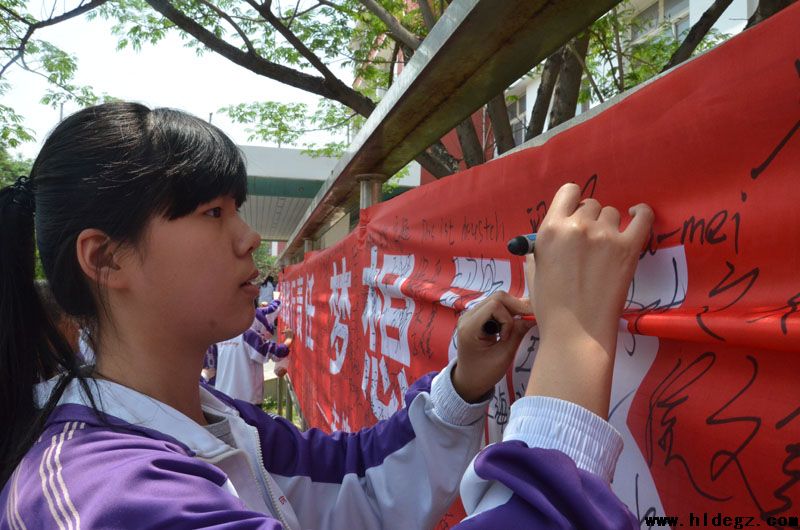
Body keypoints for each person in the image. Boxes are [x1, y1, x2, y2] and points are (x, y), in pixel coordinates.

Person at [0, 102, 652, 529]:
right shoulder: (93, 497)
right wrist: (573, 340)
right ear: (106, 259)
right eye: (212, 213)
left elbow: (355, 486)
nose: (249, 238)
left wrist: (462, 388)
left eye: (238, 208)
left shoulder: (208, 419)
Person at [203, 302, 293, 404]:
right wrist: (288, 340)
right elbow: (276, 353)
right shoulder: (248, 335)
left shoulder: (222, 334)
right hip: (247, 400)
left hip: (224, 398)